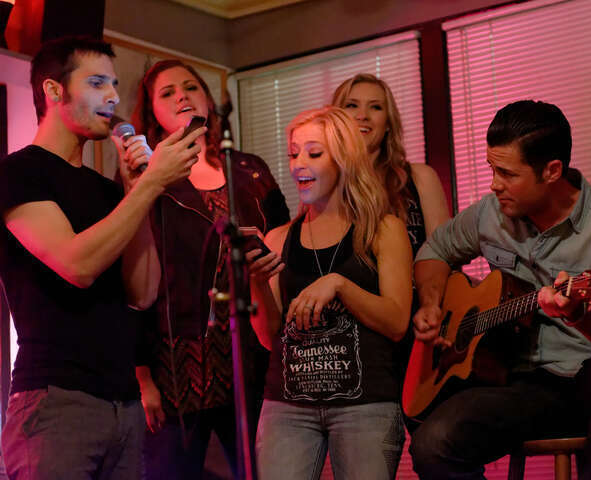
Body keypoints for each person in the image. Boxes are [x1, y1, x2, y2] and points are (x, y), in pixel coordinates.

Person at [408, 100, 591, 480]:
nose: (494, 184)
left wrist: (579, 311)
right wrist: (432, 305)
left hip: (585, 381)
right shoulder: (489, 214)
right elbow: (434, 251)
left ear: (551, 171)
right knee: (432, 444)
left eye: (506, 173)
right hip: (515, 386)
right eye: (491, 169)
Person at [0, 36, 204, 479]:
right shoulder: (19, 172)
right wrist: (150, 186)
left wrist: (136, 191)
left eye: (114, 85)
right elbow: (77, 266)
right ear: (54, 92)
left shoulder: (107, 191)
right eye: (96, 83)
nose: (112, 97)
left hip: (123, 404)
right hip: (56, 402)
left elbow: (144, 291)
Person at [128, 59, 289, 479]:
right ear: (152, 114)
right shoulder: (145, 177)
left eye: (190, 87)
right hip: (178, 369)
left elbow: (287, 237)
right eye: (167, 93)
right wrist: (142, 377)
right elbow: (132, 283)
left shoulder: (249, 169)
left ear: (208, 100)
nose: (181, 95)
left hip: (252, 358)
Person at [252, 106, 413, 479]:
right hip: (287, 406)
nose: (298, 164)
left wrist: (339, 285)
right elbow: (267, 338)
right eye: (293, 154)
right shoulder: (279, 239)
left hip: (365, 404)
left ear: (343, 159)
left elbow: (397, 322)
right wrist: (256, 282)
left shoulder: (383, 230)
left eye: (313, 152)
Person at [332, 73, 449, 255]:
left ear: (388, 123)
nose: (362, 115)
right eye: (352, 105)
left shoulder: (421, 177)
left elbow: (445, 257)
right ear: (335, 120)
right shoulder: (324, 185)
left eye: (376, 107)